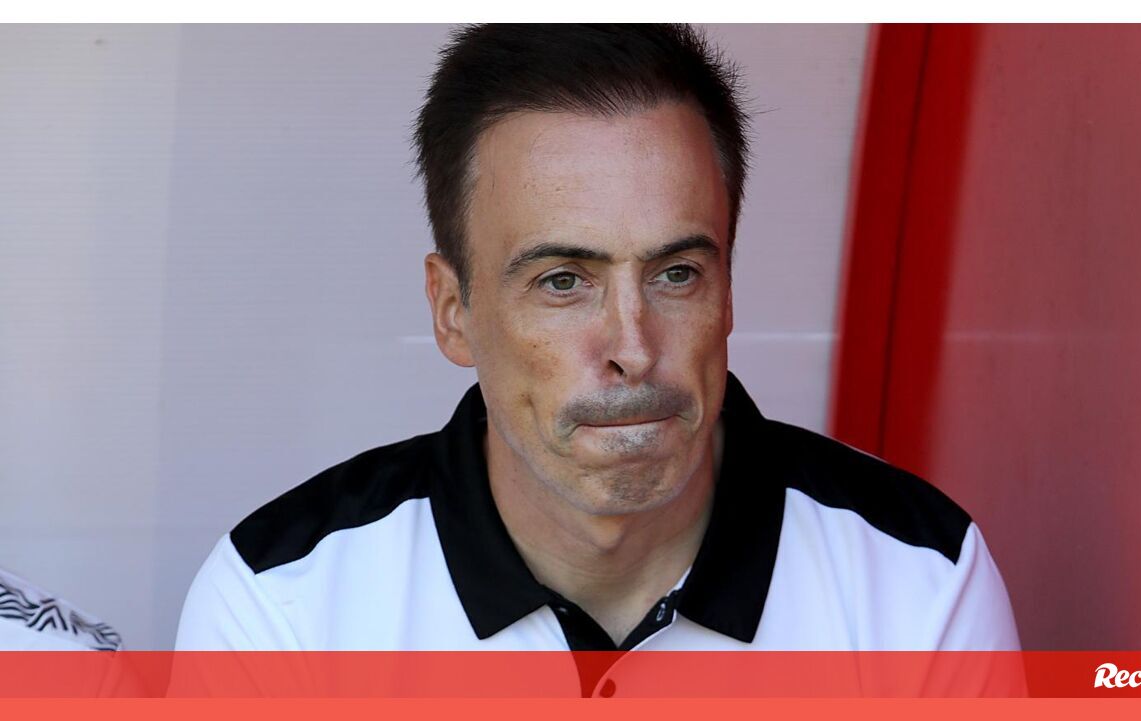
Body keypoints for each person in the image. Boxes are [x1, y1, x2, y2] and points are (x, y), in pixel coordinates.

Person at [175, 24, 1021, 694]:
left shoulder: (916, 580)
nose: (633, 348)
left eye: (677, 273)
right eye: (563, 281)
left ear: (728, 292)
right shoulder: (284, 605)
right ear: (452, 310)